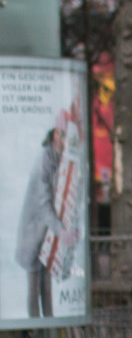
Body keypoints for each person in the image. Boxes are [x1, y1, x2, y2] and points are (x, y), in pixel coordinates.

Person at [15, 106, 81, 318]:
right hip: (33, 234)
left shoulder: (60, 158)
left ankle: (48, 336)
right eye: (65, 137)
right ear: (56, 135)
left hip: (47, 234)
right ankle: (34, 336)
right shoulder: (43, 160)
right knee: (34, 289)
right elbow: (44, 205)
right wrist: (62, 231)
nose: (68, 143)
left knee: (46, 289)